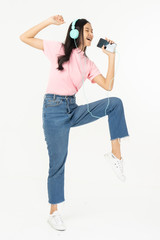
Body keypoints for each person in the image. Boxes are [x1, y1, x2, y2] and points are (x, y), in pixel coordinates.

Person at [19, 15, 130, 231]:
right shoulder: (58, 49)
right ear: (75, 32)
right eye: (87, 30)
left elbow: (108, 86)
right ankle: (54, 212)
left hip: (74, 108)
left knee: (114, 103)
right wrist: (49, 22)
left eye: (92, 30)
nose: (91, 34)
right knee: (58, 162)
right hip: (54, 110)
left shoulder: (88, 62)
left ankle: (116, 155)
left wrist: (111, 57)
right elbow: (24, 37)